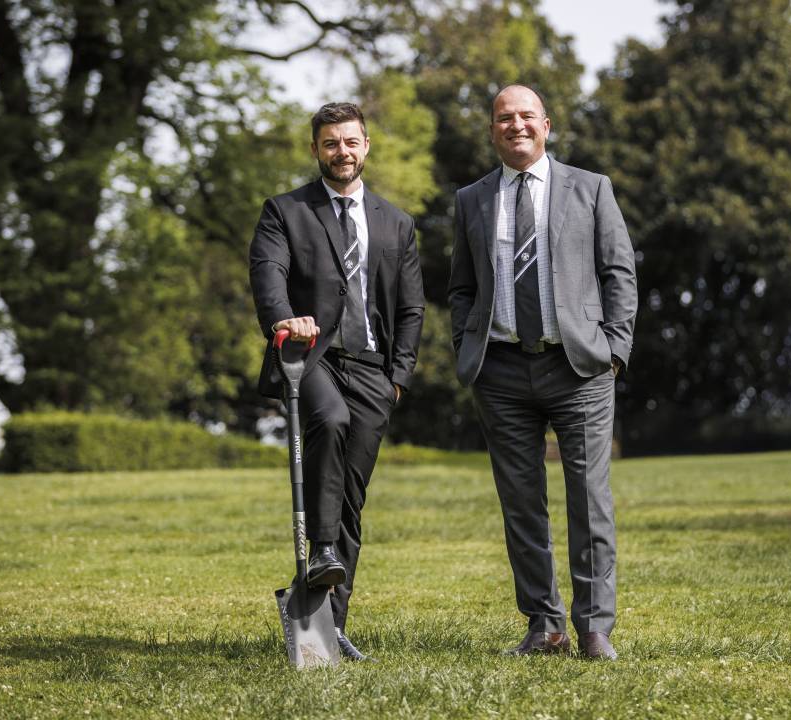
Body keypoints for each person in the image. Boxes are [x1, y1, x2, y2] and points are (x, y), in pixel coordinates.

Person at [448, 84, 637, 660]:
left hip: (579, 367)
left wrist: (615, 350)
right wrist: (466, 347)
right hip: (500, 370)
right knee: (521, 503)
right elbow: (461, 287)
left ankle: (593, 628)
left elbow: (619, 273)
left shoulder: (591, 188)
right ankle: (544, 626)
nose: (516, 125)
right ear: (492, 130)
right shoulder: (470, 200)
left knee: (589, 497)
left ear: (547, 125)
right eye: (504, 118)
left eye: (526, 116)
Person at [250, 102, 424, 662]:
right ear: (315, 149)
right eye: (330, 143)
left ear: (365, 146)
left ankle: (329, 633)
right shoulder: (285, 211)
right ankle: (321, 546)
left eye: (350, 142)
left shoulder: (396, 222)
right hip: (311, 357)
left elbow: (412, 307)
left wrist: (399, 376)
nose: (341, 152)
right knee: (330, 419)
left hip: (374, 368)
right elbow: (267, 274)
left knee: (350, 499)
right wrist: (283, 320)